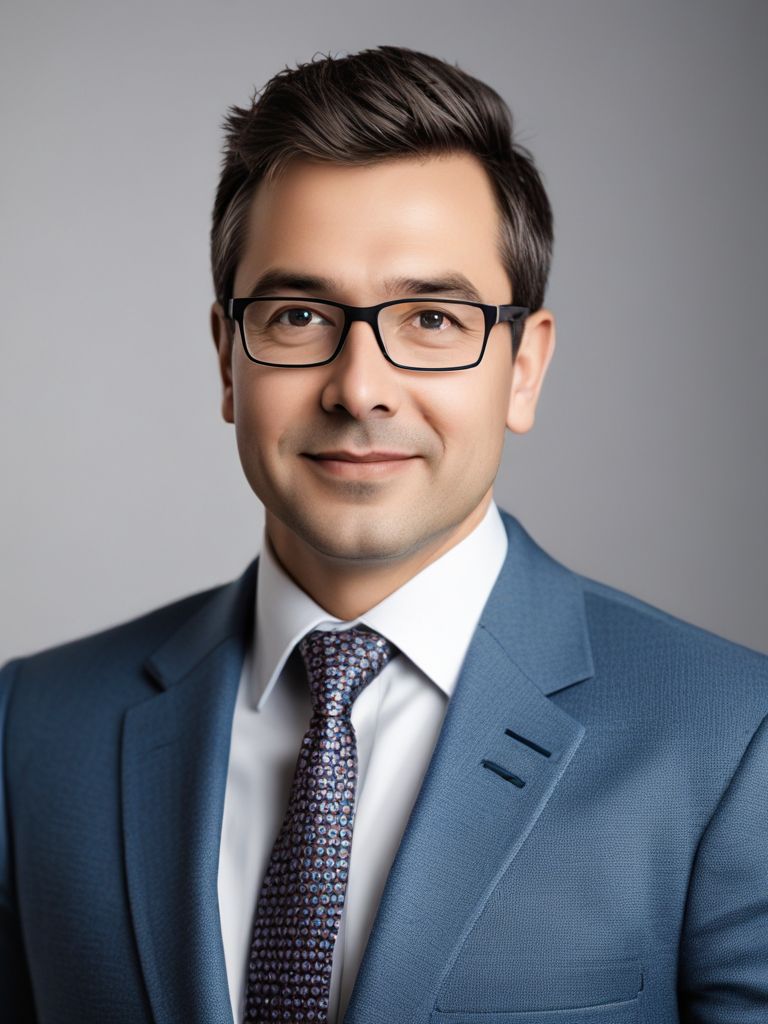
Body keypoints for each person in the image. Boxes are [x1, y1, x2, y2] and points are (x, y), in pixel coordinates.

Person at [1, 43, 767, 1024]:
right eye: (296, 314)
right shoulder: (34, 729)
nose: (359, 387)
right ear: (228, 360)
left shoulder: (732, 740)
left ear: (523, 366)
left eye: (434, 319)